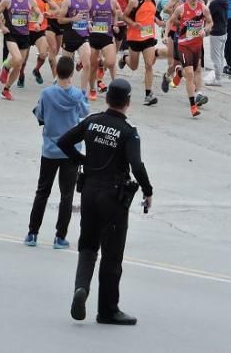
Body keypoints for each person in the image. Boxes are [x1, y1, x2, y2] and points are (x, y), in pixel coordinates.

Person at [57, 78, 152, 326]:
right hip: (113, 197)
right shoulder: (129, 132)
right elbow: (137, 165)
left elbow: (64, 141)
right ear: (128, 102)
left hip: (89, 191)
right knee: (112, 255)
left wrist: (82, 160)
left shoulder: (92, 122)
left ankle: (81, 288)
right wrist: (148, 190)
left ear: (107, 98)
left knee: (87, 246)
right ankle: (108, 310)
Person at [25, 56, 89, 249]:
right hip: (70, 150)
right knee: (66, 195)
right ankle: (60, 236)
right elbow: (84, 113)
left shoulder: (47, 93)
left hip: (50, 149)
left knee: (42, 191)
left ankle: (32, 233)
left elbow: (40, 115)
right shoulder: (77, 95)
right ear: (71, 74)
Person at [207, 0, 228, 86]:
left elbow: (208, 15)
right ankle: (218, 77)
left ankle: (218, 79)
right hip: (224, 31)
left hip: (216, 32)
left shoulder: (214, 3)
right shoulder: (225, 1)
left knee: (215, 57)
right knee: (220, 55)